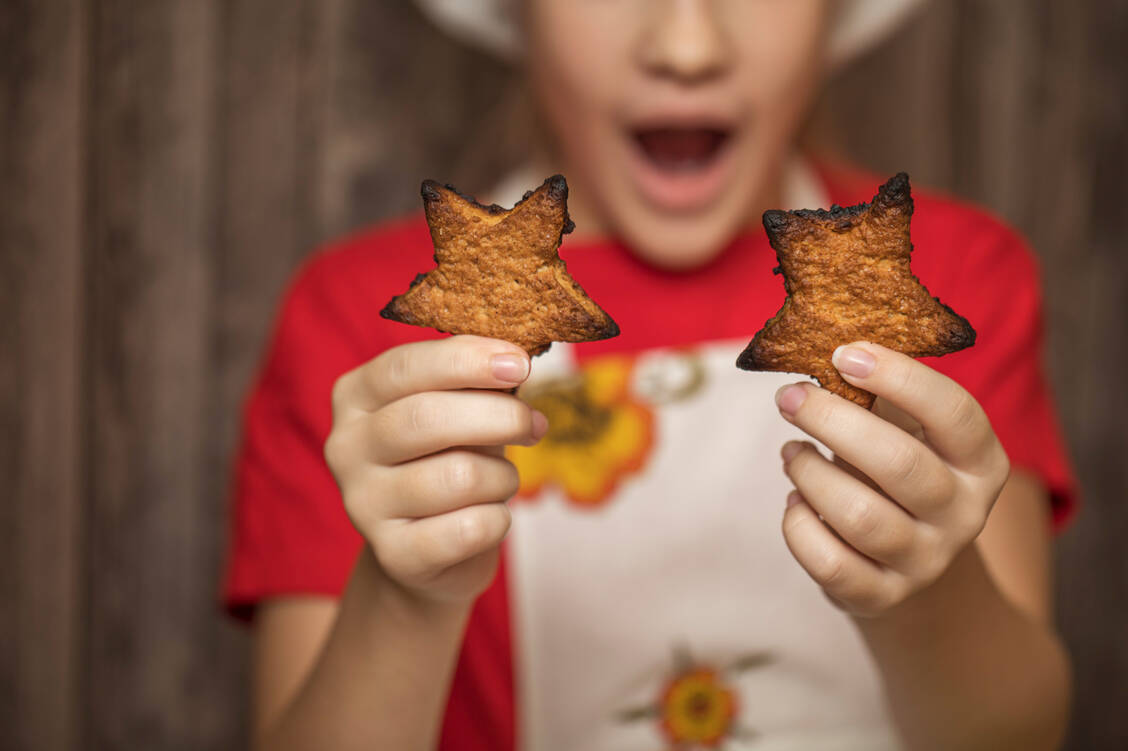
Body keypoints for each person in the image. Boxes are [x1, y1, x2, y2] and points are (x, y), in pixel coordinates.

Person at [224, 2, 1077, 749]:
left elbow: (1016, 733)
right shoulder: (365, 328)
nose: (687, 43)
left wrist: (925, 591)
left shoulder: (955, 277)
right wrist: (406, 592)